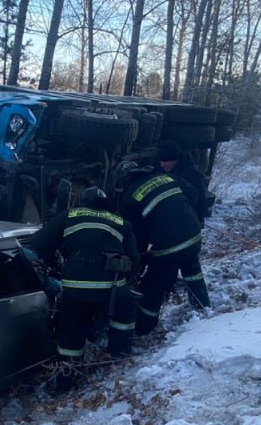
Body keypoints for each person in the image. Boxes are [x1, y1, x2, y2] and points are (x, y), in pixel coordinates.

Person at [29, 186, 140, 390]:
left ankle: (66, 382)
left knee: (71, 333)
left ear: (82, 202)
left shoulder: (68, 217)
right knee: (123, 320)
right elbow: (134, 259)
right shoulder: (120, 222)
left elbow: (38, 246)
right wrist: (127, 282)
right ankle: (119, 366)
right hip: (112, 287)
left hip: (77, 290)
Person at [118, 165, 210, 336]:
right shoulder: (166, 177)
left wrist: (140, 259)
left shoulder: (129, 197)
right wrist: (184, 213)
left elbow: (135, 235)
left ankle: (144, 328)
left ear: (125, 180)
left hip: (169, 245)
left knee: (154, 283)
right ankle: (203, 306)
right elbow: (194, 194)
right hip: (193, 234)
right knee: (192, 270)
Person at [157, 140, 208, 222]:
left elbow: (201, 199)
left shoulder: (192, 174)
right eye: (161, 162)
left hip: (186, 215)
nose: (162, 165)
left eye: (166, 162)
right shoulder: (164, 169)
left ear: (175, 160)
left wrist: (198, 219)